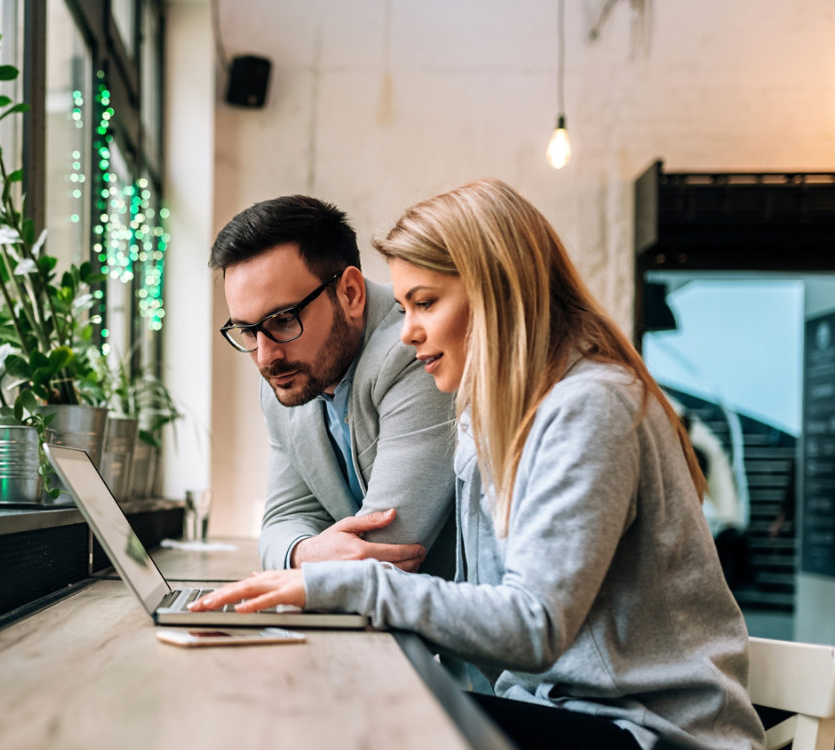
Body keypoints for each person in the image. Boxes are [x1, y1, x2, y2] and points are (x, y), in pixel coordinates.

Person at [194, 179, 766, 750]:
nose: (408, 330)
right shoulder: (493, 417)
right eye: (405, 305)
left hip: (649, 731)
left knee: (354, 720)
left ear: (498, 294)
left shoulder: (590, 405)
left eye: (425, 303)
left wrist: (342, 584)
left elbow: (534, 624)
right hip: (558, 709)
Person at [209, 195, 457, 577]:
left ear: (350, 294)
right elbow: (282, 521)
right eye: (247, 331)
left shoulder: (419, 351)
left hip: (446, 626)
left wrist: (304, 559)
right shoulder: (289, 377)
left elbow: (385, 551)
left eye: (284, 320)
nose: (264, 357)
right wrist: (303, 553)